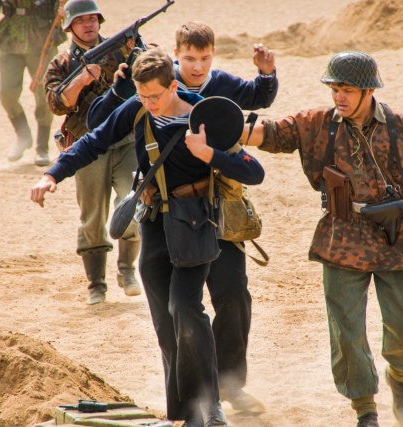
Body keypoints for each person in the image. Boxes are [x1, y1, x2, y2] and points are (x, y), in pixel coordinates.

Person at [31, 47, 265, 427]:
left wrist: (209, 154)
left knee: (185, 307)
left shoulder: (202, 114)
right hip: (154, 222)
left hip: (196, 224)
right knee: (165, 327)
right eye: (142, 95)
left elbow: (254, 171)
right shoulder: (137, 109)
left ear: (173, 86)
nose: (149, 103)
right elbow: (94, 140)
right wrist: (52, 174)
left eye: (155, 95)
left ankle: (211, 406)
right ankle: (184, 415)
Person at [240, 51, 403, 427]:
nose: (339, 96)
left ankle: (399, 376)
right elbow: (270, 133)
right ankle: (365, 408)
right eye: (335, 88)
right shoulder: (319, 125)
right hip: (341, 236)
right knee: (346, 331)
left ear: (368, 91)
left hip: (396, 236)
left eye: (347, 90)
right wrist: (227, 124)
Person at [87, 21, 277, 413]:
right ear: (176, 58)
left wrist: (267, 73)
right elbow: (101, 125)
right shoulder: (155, 88)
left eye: (205, 58)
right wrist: (121, 86)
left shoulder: (221, 85)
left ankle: (229, 384)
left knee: (233, 295)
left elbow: (259, 98)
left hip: (219, 211)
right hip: (172, 216)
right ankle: (194, 399)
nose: (197, 66)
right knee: (179, 310)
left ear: (213, 56)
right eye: (189, 58)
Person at [42, 0, 142, 305]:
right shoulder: (61, 63)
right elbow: (56, 104)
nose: (88, 25)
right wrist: (82, 78)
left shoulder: (119, 49)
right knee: (93, 217)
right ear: (69, 26)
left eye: (92, 19)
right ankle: (96, 284)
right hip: (86, 146)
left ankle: (127, 270)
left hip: (125, 140)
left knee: (133, 204)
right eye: (81, 20)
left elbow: (146, 70)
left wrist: (140, 49)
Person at [0, 0, 66, 166]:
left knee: (45, 94)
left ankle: (42, 147)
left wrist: (64, 12)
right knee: (7, 93)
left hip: (42, 36)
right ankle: (23, 135)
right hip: (10, 37)